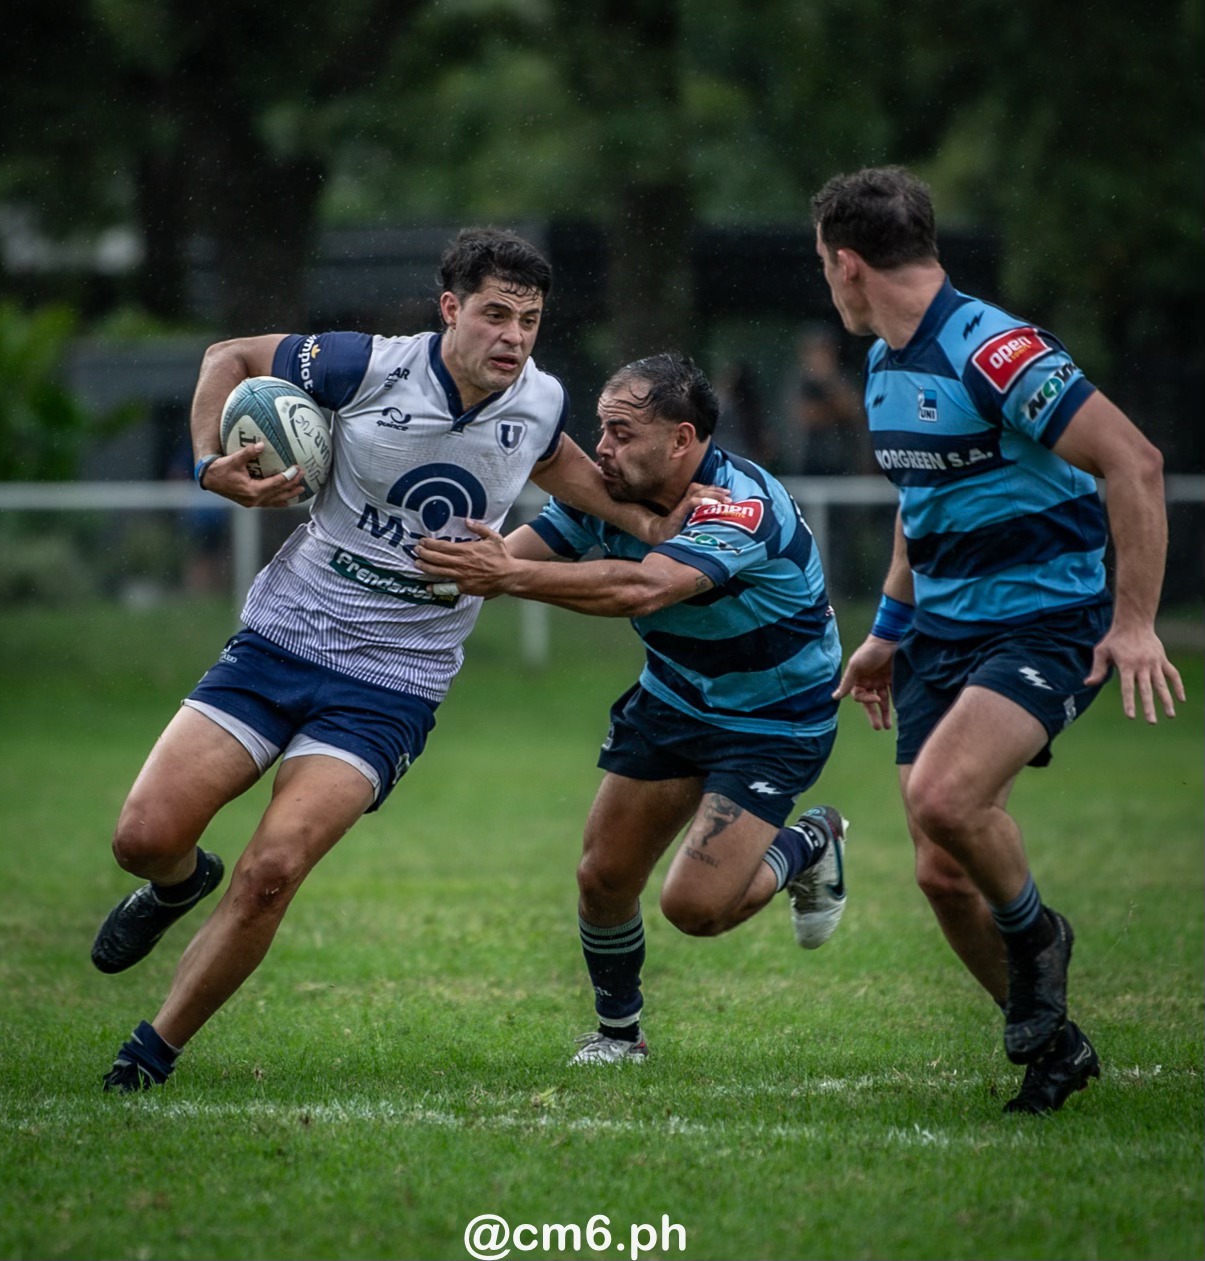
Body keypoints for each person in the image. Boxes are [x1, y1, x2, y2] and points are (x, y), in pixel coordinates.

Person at [91, 228, 721, 1092]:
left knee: (273, 870)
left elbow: (582, 479)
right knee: (143, 837)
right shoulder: (363, 365)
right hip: (281, 639)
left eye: (530, 321)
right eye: (495, 314)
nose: (513, 337)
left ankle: (149, 1053)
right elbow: (227, 356)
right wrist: (209, 466)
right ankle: (175, 883)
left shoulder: (537, 402)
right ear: (450, 309)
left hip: (392, 682)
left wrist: (667, 521)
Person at [811, 166, 1184, 1114]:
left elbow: (1131, 460)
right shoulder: (886, 360)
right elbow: (920, 504)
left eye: (824, 265)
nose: (827, 280)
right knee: (940, 872)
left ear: (847, 263)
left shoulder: (996, 351)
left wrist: (1133, 622)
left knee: (944, 796)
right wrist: (886, 630)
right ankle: (1055, 1043)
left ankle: (1035, 935)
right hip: (939, 631)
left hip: (1047, 620)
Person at [416, 351, 849, 1064]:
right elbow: (495, 563)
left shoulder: (736, 505)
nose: (601, 450)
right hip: (675, 696)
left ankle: (812, 841)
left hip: (772, 720)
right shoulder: (605, 495)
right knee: (603, 876)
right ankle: (620, 1034)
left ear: (681, 439)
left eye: (620, 433)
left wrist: (508, 575)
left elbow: (641, 590)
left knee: (696, 909)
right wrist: (423, 558)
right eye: (599, 430)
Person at [789, 325, 866, 476]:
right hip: (808, 464)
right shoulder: (798, 382)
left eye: (824, 350)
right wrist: (835, 411)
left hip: (845, 463)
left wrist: (828, 380)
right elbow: (807, 417)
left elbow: (853, 410)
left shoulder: (842, 378)